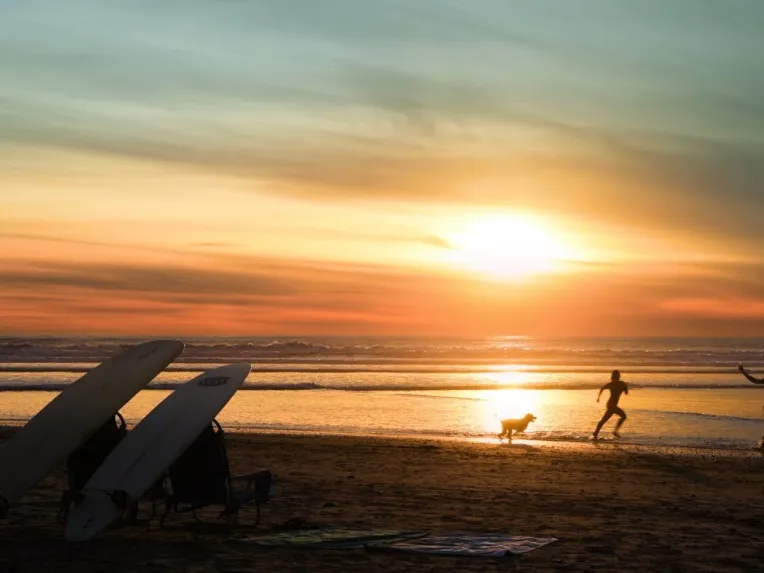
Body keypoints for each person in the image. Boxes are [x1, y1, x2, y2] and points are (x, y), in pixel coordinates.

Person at [593, 369, 628, 439]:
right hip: (611, 405)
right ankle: (614, 431)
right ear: (613, 377)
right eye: (616, 376)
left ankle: (595, 433)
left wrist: (625, 388)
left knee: (604, 420)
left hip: (612, 405)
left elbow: (626, 392)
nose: (616, 377)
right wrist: (598, 398)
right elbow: (602, 388)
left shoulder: (620, 384)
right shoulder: (613, 384)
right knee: (623, 416)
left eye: (617, 376)